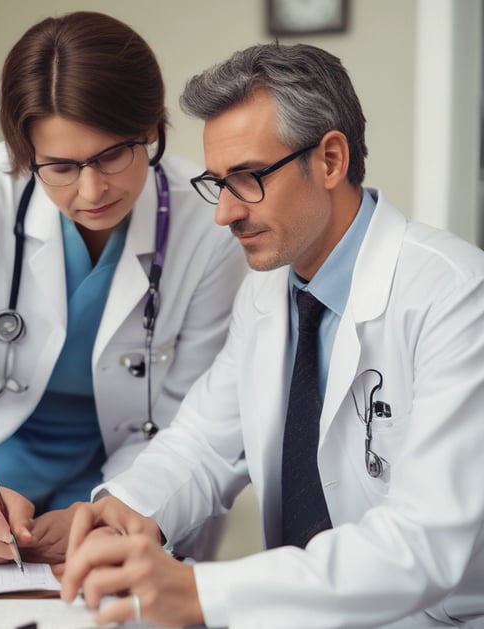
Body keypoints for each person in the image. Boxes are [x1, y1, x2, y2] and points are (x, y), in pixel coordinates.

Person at [60, 42, 484, 628]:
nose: (223, 214)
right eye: (218, 183)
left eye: (249, 178)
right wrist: (126, 508)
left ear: (331, 159)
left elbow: (424, 541)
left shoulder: (456, 295)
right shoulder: (268, 292)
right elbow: (205, 443)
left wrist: (203, 592)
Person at [0, 11, 246, 565]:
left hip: (123, 473)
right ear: (27, 154)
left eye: (113, 155)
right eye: (61, 167)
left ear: (151, 129)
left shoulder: (206, 225)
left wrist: (111, 510)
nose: (92, 190)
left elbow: (191, 414)